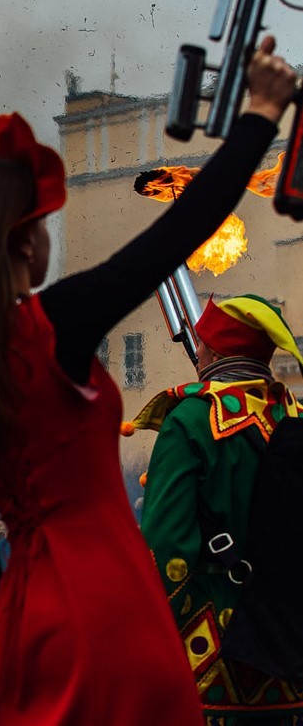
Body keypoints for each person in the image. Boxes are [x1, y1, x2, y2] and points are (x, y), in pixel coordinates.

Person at [0, 36, 297, 724]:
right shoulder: (51, 326)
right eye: (44, 222)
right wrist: (260, 111)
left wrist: (15, 643)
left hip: (27, 618)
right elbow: (178, 232)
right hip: (108, 601)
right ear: (23, 241)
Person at [135, 294, 303, 721]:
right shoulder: (296, 415)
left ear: (210, 351)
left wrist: (149, 641)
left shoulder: (190, 419)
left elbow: (165, 549)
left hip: (211, 657)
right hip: (290, 648)